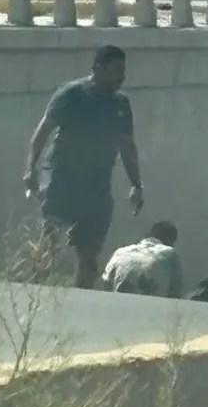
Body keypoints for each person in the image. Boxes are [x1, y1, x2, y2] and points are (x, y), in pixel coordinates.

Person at [24, 45, 143, 290]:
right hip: (62, 181)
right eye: (116, 70)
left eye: (124, 71)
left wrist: (136, 184)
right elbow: (42, 132)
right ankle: (33, 296)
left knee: (89, 258)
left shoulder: (120, 104)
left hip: (97, 187)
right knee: (49, 246)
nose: (121, 77)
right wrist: (31, 167)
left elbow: (128, 148)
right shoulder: (72, 95)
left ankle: (80, 303)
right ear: (98, 69)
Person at [102, 220, 182, 297]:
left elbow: (105, 281)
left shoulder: (120, 251)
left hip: (117, 301)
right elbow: (176, 292)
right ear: (170, 241)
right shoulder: (170, 253)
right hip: (149, 304)